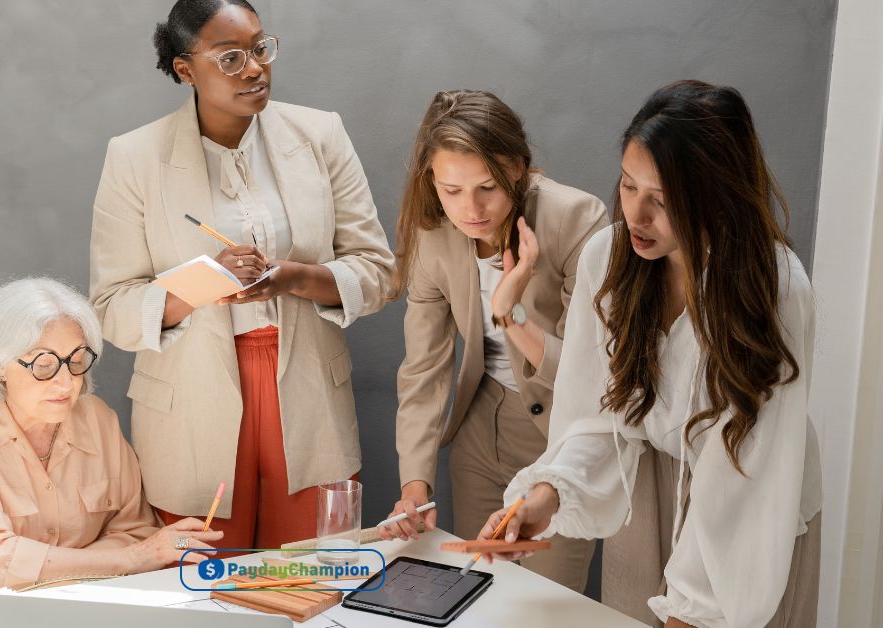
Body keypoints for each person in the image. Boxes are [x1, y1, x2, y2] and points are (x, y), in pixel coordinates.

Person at [480, 80, 822, 628]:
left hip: (751, 521)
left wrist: (692, 611)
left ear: (717, 195)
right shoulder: (609, 259)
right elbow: (597, 412)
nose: (635, 215)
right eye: (628, 186)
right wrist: (544, 497)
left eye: (661, 201)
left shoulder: (774, 289)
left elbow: (747, 472)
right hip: (645, 490)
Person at [89, 0, 394, 549]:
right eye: (230, 58)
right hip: (190, 405)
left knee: (312, 575)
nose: (255, 68)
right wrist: (204, 281)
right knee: (203, 588)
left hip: (309, 396)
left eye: (260, 48)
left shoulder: (321, 135)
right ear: (186, 69)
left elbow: (377, 272)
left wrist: (294, 278)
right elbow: (110, 307)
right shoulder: (134, 157)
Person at [379, 90, 606, 593]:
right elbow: (424, 370)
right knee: (476, 591)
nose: (471, 209)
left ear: (519, 169)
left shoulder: (578, 220)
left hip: (559, 437)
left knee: (547, 603)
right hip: (480, 431)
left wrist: (511, 311)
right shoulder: (434, 233)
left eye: (487, 186)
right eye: (451, 189)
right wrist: (415, 487)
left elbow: (589, 376)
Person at [0, 278, 221, 611]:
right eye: (44, 365)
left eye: (76, 361)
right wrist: (131, 559)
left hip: (66, 612)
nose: (66, 382)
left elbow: (134, 527)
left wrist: (115, 558)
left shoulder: (98, 420)